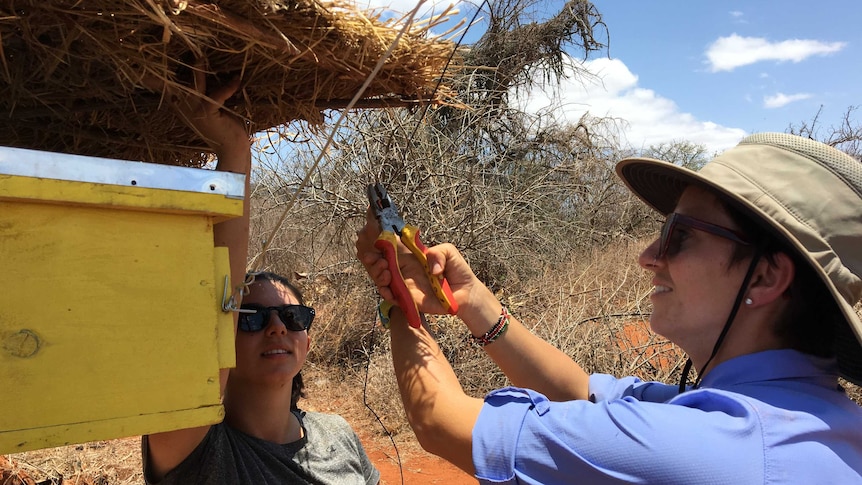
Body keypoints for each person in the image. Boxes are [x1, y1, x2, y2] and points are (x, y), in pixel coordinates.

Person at [356, 132, 862, 483]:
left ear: (768, 276)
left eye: (679, 236)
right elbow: (578, 392)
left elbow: (441, 422)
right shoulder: (812, 421)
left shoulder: (715, 450)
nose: (648, 257)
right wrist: (472, 301)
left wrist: (397, 297)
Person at [142, 65, 380, 485]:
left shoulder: (338, 435)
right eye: (250, 318)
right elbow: (212, 304)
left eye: (293, 318)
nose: (276, 329)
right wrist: (236, 148)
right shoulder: (196, 450)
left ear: (308, 335)